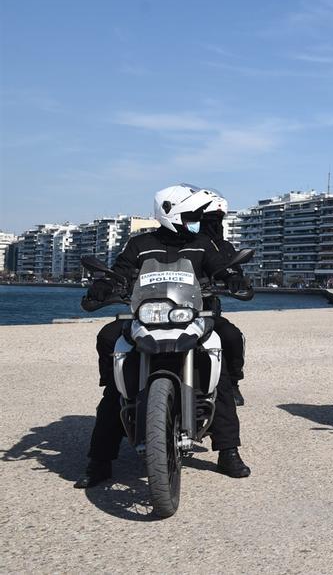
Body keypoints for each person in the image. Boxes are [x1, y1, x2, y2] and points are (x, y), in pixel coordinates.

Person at [75, 185, 250, 489]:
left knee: (222, 356)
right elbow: (121, 271)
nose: (196, 219)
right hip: (147, 314)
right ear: (171, 213)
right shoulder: (139, 244)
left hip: (193, 315)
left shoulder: (202, 244)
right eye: (190, 214)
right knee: (108, 340)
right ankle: (99, 460)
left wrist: (234, 278)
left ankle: (228, 452)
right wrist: (104, 285)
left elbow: (221, 268)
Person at [191, 186, 252, 406]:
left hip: (204, 309)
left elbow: (232, 268)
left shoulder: (223, 246)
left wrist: (236, 279)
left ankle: (233, 382)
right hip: (169, 307)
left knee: (232, 336)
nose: (212, 225)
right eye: (206, 219)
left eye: (216, 220)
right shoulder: (184, 244)